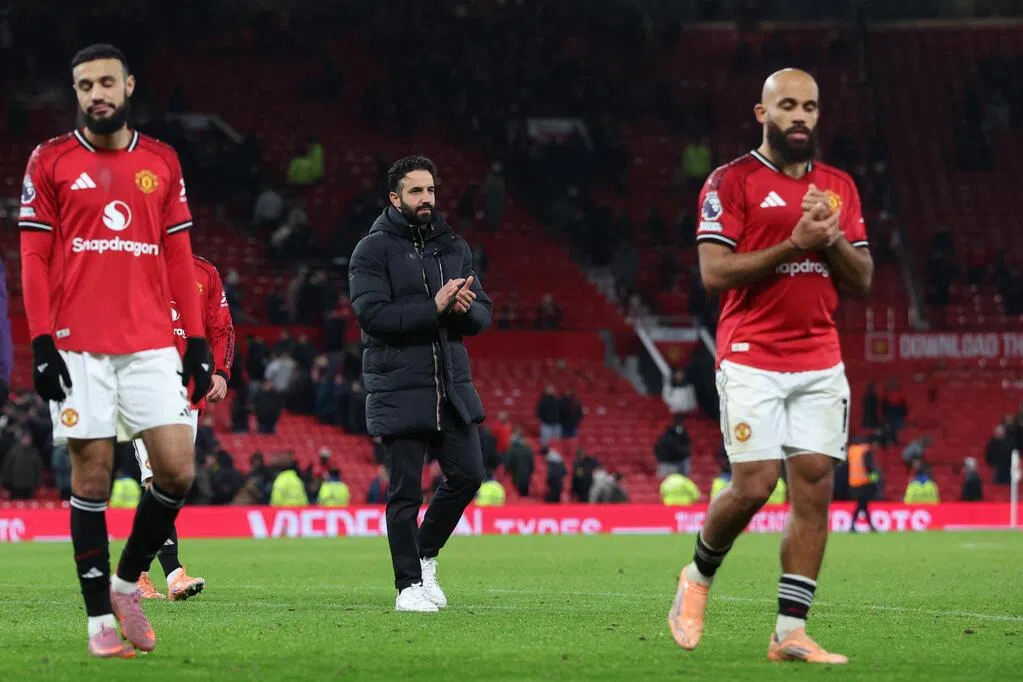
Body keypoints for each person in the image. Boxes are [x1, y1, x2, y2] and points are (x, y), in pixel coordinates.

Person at [669, 68, 872, 665]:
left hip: (820, 357)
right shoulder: (730, 182)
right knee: (755, 484)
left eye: (809, 106)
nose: (800, 116)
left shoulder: (838, 187)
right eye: (787, 105)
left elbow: (862, 279)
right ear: (763, 113)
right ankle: (698, 575)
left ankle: (789, 632)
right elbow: (713, 274)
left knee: (814, 487)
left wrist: (830, 237)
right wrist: (795, 242)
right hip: (751, 355)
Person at [19, 44, 212, 658]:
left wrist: (197, 340)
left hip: (151, 341)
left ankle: (128, 583)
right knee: (93, 477)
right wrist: (40, 341)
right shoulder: (49, 160)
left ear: (128, 85)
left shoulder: (161, 160)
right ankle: (100, 621)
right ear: (75, 92)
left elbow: (179, 255)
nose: (96, 93)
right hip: (78, 346)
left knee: (176, 470)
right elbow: (33, 257)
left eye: (106, 82)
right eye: (85, 85)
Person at [349, 155, 492, 613]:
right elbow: (372, 316)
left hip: (450, 384)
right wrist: (434, 307)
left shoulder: (454, 246)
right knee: (405, 492)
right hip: (400, 384)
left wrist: (465, 308)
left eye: (430, 190)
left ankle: (425, 555)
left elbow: (483, 314)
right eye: (416, 191)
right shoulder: (372, 250)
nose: (426, 198)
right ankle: (407, 586)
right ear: (395, 198)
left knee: (469, 475)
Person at [134, 254, 235, 601]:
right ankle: (174, 573)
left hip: (187, 394)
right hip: (142, 387)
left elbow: (222, 327)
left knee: (171, 483)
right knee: (160, 478)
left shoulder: (205, 273)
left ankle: (136, 573)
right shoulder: (131, 261)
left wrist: (221, 372)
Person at [847, 437, 878, 532]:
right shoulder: (865, 451)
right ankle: (856, 526)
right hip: (863, 483)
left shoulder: (851, 451)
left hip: (853, 483)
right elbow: (869, 466)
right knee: (862, 505)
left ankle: (867, 526)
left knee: (862, 505)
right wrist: (874, 478)